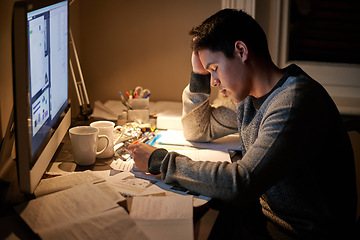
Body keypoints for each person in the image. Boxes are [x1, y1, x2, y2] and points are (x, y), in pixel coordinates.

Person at [128, 9, 358, 239]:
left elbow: (241, 183)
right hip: (260, 218)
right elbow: (198, 130)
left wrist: (159, 161)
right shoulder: (251, 98)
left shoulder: (291, 103)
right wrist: (199, 73)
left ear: (241, 51)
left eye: (214, 69)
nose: (214, 81)